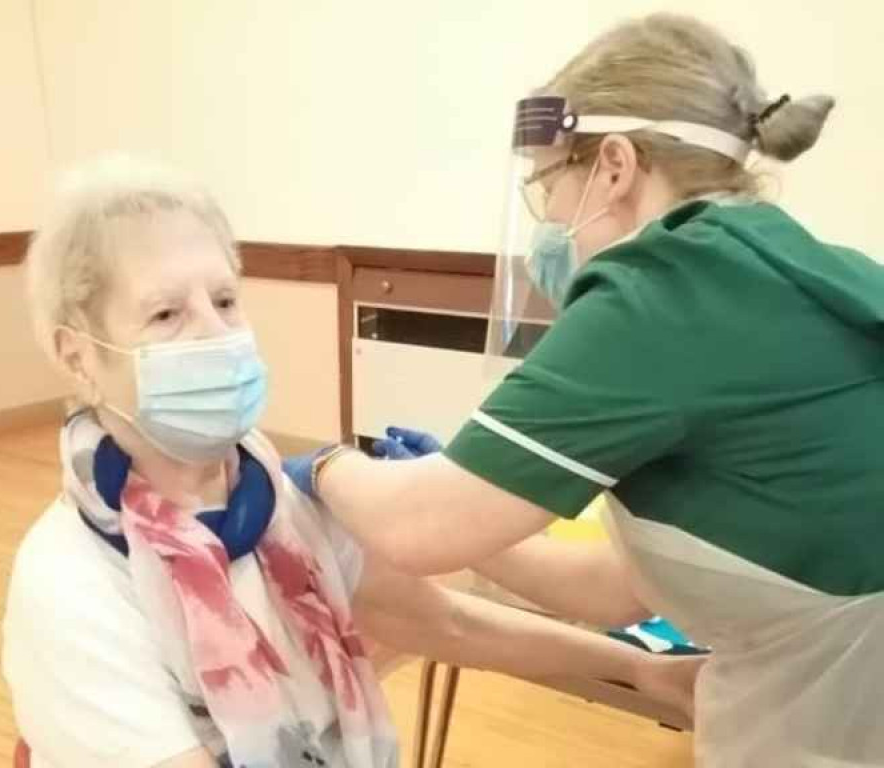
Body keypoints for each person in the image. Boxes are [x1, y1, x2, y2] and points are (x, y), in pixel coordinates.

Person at [286, 13, 884, 768]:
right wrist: (480, 506)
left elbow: (419, 531)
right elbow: (619, 590)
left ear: (613, 164)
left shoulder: (667, 291)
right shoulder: (797, 266)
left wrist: (321, 467)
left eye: (549, 185)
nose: (549, 224)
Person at [1, 156, 700, 768]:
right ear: (77, 356)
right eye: (164, 316)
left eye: (223, 300)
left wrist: (641, 674)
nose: (216, 335)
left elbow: (441, 622)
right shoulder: (72, 581)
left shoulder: (271, 501)